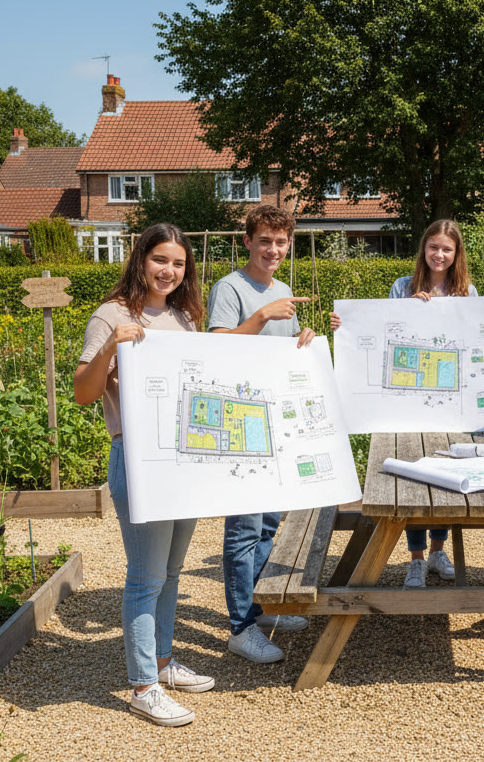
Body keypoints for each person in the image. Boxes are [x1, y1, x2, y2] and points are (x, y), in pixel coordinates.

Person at [330, 219, 484, 589]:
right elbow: (380, 332)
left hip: (453, 405)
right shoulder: (402, 287)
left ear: (456, 253)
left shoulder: (468, 292)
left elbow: (483, 342)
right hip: (407, 403)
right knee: (416, 477)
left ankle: (437, 551)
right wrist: (346, 325)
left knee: (445, 477)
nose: (439, 254)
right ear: (424, 249)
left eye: (447, 249)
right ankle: (416, 560)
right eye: (433, 247)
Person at [74, 223, 213, 727]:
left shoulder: (183, 316)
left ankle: (161, 661)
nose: (169, 271)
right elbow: (84, 393)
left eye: (178, 263)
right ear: (140, 259)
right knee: (145, 576)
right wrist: (112, 345)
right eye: (160, 260)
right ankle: (142, 686)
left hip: (182, 457)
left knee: (171, 573)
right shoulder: (112, 314)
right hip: (137, 456)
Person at [208, 205, 314, 664]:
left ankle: (259, 607)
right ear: (247, 241)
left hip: (278, 422)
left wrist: (301, 340)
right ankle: (240, 627)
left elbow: (279, 355)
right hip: (241, 424)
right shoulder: (229, 288)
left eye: (281, 242)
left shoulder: (284, 290)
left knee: (270, 521)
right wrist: (263, 316)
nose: (273, 249)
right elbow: (216, 347)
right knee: (244, 527)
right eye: (265, 241)